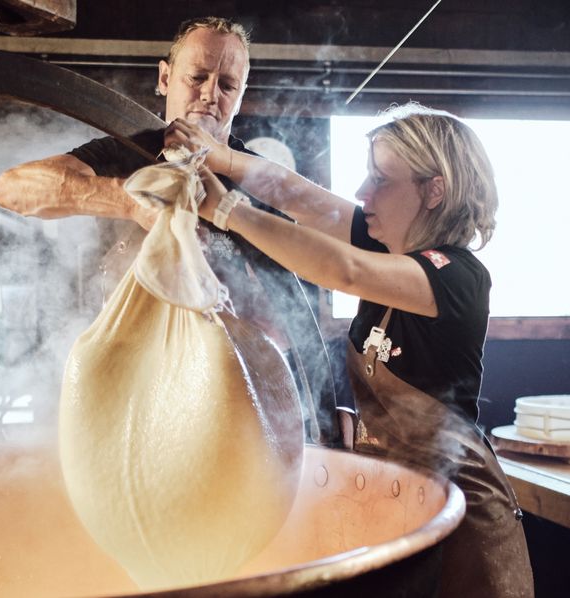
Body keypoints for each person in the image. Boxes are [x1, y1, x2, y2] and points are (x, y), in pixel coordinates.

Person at [166, 103, 534, 597]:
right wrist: (224, 159)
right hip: (406, 502)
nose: (363, 193)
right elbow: (307, 202)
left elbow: (346, 271)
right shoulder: (390, 248)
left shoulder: (456, 276)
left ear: (434, 190)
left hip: (461, 517)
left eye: (381, 179)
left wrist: (229, 211)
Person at [0, 17, 344, 444]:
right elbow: (10, 189)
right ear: (164, 78)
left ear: (241, 94)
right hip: (128, 390)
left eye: (228, 85)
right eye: (197, 77)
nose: (211, 95)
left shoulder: (259, 181)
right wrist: (128, 200)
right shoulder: (127, 151)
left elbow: (298, 306)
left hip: (230, 399)